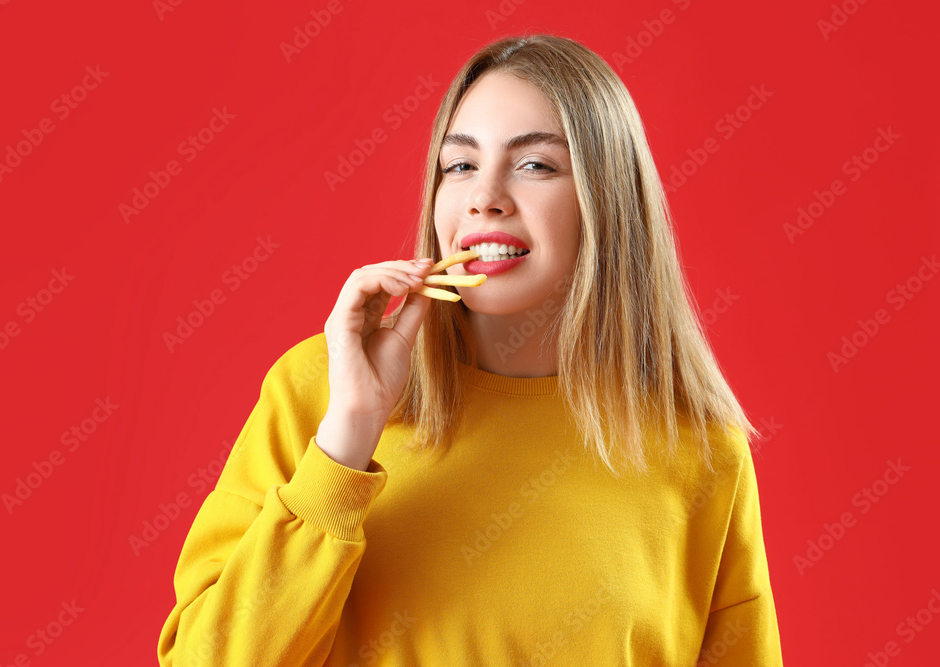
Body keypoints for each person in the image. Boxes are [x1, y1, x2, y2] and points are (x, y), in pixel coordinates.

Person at [158, 33, 784, 666]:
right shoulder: (316, 391)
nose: (484, 195)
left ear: (609, 200)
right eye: (459, 166)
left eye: (535, 164)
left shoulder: (699, 446)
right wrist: (347, 439)